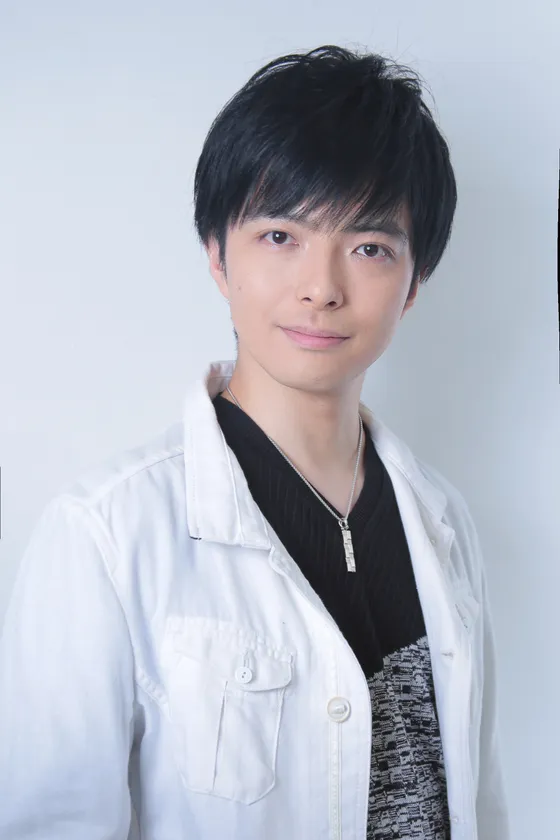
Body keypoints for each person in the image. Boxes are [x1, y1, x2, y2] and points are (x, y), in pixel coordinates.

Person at [0, 44, 510, 840]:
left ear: (414, 284)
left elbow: (480, 805)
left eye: (369, 248)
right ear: (217, 254)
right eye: (281, 236)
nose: (322, 287)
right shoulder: (107, 534)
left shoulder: (443, 522)